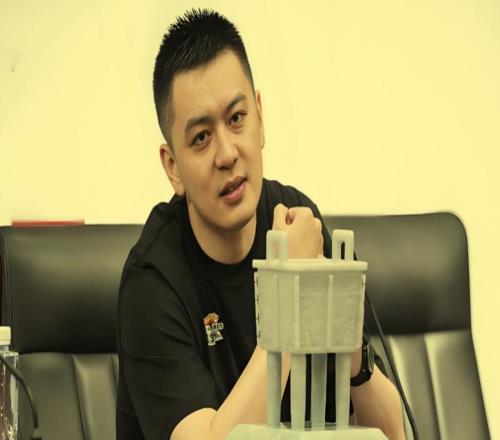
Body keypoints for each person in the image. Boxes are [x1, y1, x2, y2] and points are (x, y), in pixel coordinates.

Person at [116, 8, 405, 440]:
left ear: (260, 116)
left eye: (237, 119)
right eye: (201, 138)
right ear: (172, 166)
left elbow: (393, 434)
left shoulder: (299, 220)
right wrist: (289, 298)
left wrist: (352, 353)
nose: (227, 154)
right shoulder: (152, 282)